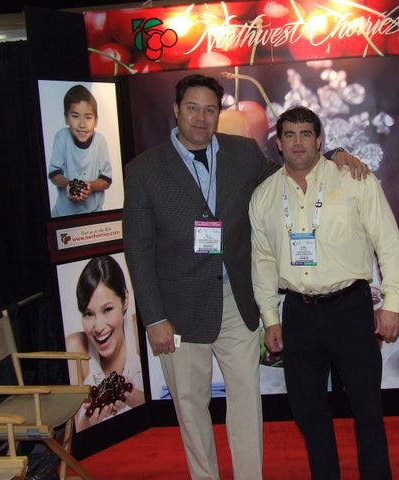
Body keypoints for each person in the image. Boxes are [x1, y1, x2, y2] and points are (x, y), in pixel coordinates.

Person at [122, 74, 367, 480]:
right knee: (191, 405)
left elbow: (291, 169)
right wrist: (154, 318)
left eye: (210, 110)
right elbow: (138, 249)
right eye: (192, 108)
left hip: (237, 302)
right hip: (178, 313)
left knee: (246, 401)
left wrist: (334, 153)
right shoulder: (144, 171)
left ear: (219, 114)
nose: (201, 118)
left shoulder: (244, 152)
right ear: (176, 110)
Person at [249, 106, 399, 479]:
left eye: (306, 134)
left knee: (367, 409)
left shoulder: (354, 179)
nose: (298, 142)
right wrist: (270, 317)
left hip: (350, 309)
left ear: (320, 140)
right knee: (308, 413)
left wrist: (392, 304)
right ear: (278, 143)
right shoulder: (264, 196)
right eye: (289, 135)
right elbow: (263, 261)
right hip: (298, 314)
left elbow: (388, 243)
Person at [68, 255, 145, 432]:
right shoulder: (76, 347)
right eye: (89, 314)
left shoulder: (138, 329)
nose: (98, 327)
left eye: (108, 309)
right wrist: (90, 421)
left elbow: (163, 403)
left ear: (125, 300)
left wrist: (131, 396)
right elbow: (76, 431)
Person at [48, 84, 112, 218]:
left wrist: (90, 186)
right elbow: (54, 174)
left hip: (94, 214)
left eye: (88, 117)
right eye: (75, 116)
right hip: (63, 215)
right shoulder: (61, 137)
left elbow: (106, 179)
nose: (82, 124)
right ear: (66, 118)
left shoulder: (100, 141)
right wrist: (69, 185)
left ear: (96, 121)